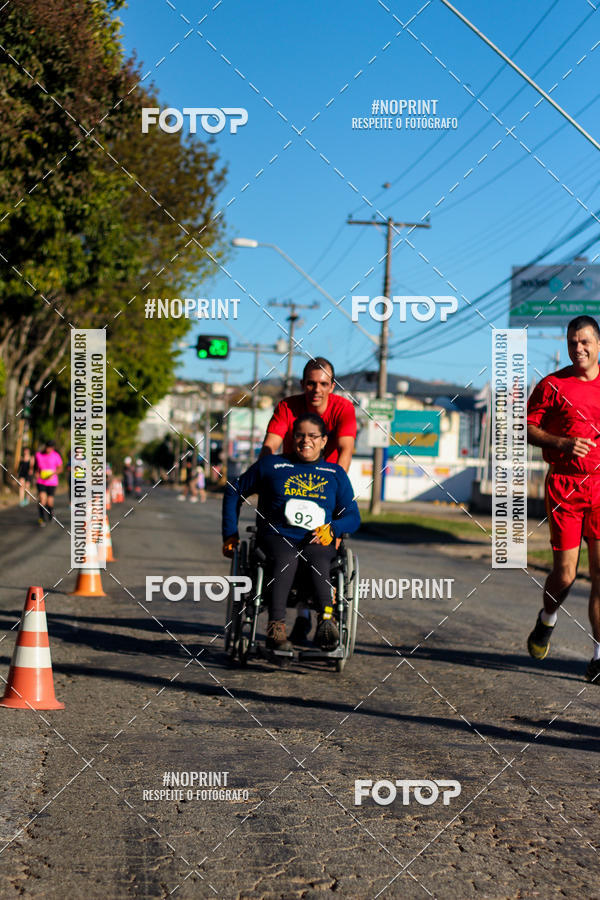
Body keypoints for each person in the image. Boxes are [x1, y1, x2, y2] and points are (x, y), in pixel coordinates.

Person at [222, 414, 360, 653]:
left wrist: (333, 529)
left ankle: (327, 621)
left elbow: (353, 516)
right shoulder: (271, 465)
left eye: (313, 436)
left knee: (318, 557)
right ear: (292, 438)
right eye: (300, 435)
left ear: (324, 441)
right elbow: (234, 490)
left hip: (317, 537)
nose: (306, 441)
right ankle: (276, 627)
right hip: (277, 536)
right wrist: (229, 534)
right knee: (287, 557)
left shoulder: (335, 473)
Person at [261, 357, 357, 642]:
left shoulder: (343, 408)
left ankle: (324, 617)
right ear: (303, 384)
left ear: (332, 386)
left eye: (323, 384)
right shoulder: (287, 406)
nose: (317, 389)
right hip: (291, 483)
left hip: (325, 487)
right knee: (284, 545)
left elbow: (346, 450)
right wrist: (266, 475)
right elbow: (270, 444)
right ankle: (295, 618)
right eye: (311, 384)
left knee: (323, 550)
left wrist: (336, 488)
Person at [526, 315, 600, 683]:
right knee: (566, 573)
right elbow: (527, 428)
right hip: (565, 487)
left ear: (598, 344)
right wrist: (562, 443)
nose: (578, 348)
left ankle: (599, 657)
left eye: (585, 341)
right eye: (572, 342)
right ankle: (547, 619)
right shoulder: (552, 385)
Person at [34, 439, 63, 527]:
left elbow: (60, 468)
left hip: (52, 482)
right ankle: (41, 518)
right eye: (48, 447)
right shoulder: (39, 455)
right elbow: (36, 467)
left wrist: (53, 473)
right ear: (45, 447)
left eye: (51, 448)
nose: (49, 449)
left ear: (53, 448)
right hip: (41, 481)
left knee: (50, 502)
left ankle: (51, 514)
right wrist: (36, 474)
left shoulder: (56, 455)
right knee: (42, 499)